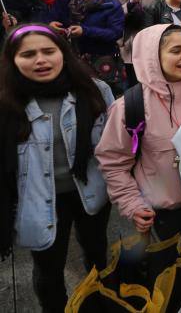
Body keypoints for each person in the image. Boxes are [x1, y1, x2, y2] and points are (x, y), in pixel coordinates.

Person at [0, 24, 114, 312]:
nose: (41, 60)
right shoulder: (7, 105)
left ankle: (99, 304)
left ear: (63, 53)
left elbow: (116, 142)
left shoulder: (94, 90)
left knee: (97, 254)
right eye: (29, 54)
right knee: (49, 271)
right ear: (12, 60)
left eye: (48, 51)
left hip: (90, 192)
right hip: (37, 198)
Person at [96, 25, 181, 245]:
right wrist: (133, 205)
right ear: (153, 56)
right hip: (163, 217)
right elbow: (113, 163)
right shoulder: (130, 107)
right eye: (175, 51)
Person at [46, 0, 124, 60]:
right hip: (67, 57)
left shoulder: (111, 6)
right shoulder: (65, 0)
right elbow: (49, 19)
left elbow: (115, 33)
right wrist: (50, 25)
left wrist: (85, 31)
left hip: (99, 61)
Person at [108, 0, 157, 87]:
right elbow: (112, 15)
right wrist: (131, 3)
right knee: (130, 86)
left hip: (149, 44)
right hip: (126, 45)